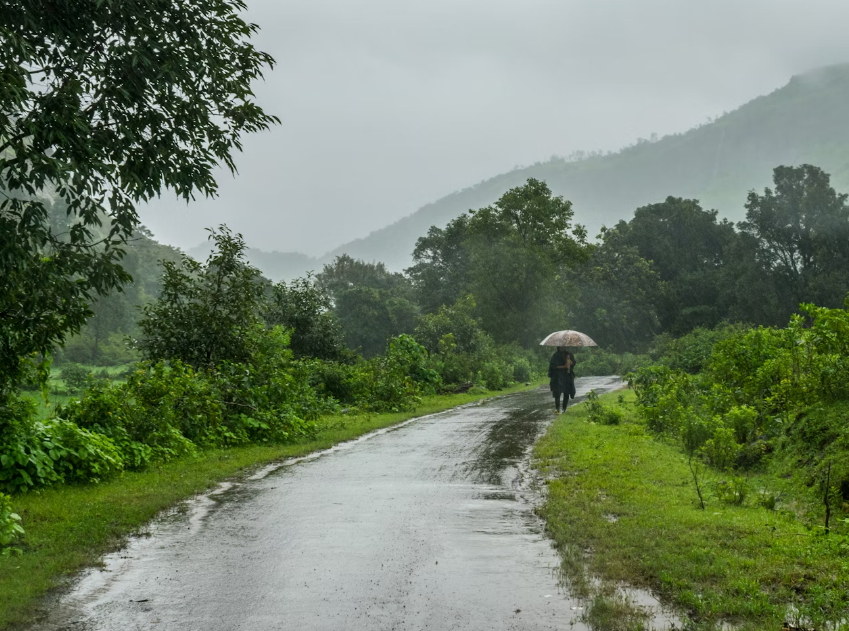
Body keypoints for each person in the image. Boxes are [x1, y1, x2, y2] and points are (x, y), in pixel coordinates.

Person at [548, 346, 577, 413]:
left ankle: (564, 408)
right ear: (558, 347)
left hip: (567, 375)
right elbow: (553, 366)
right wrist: (563, 366)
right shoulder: (555, 355)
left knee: (566, 392)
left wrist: (571, 363)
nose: (562, 348)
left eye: (564, 346)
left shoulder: (569, 354)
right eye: (561, 346)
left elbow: (573, 363)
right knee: (557, 393)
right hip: (558, 376)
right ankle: (557, 408)